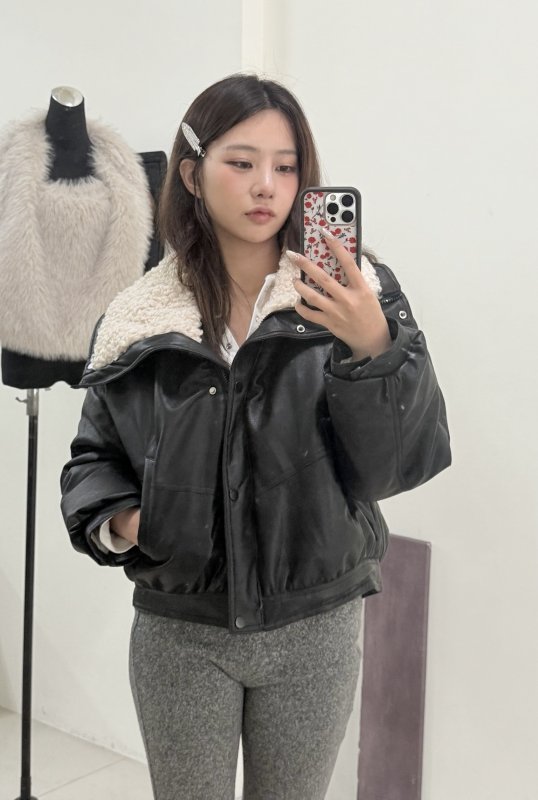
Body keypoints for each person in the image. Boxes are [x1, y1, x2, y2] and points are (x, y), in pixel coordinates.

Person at [60, 73, 451, 800]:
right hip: (182, 632)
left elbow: (397, 466)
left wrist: (374, 348)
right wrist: (133, 522)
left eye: (287, 166)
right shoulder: (141, 317)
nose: (266, 185)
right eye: (241, 163)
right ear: (192, 173)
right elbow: (94, 460)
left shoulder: (357, 297)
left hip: (315, 627)